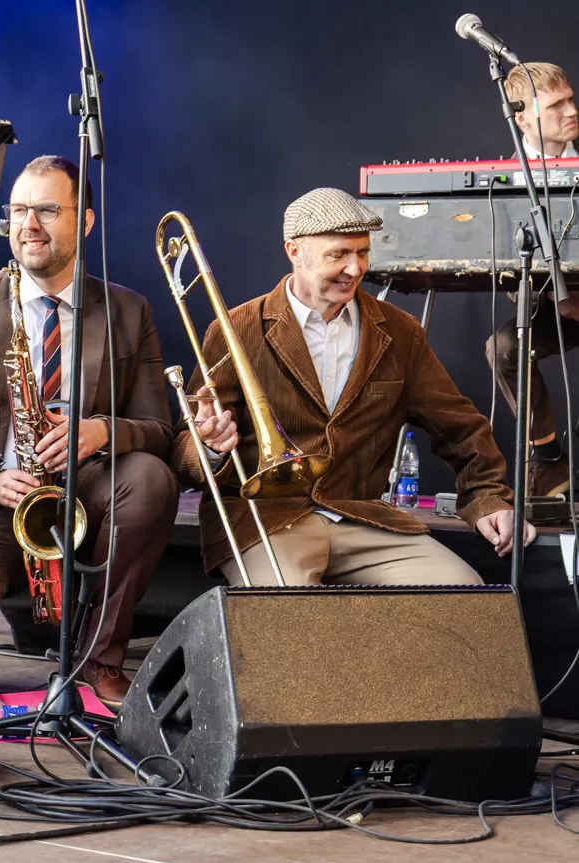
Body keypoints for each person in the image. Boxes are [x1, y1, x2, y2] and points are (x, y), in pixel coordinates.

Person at [0, 155, 178, 709]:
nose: (28, 225)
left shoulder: (127, 309)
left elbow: (159, 430)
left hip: (82, 484)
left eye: (47, 210)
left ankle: (100, 656)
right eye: (19, 210)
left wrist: (99, 432)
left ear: (85, 220)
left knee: (150, 480)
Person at [174, 187, 534, 586]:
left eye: (362, 252)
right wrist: (209, 446)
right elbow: (183, 448)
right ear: (294, 252)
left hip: (363, 517)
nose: (355, 268)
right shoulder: (236, 327)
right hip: (267, 519)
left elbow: (461, 428)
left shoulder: (400, 331)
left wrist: (488, 499)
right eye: (338, 255)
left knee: (463, 594)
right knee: (284, 610)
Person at [485, 63, 579, 497]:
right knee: (504, 347)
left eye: (571, 99)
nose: (572, 111)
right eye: (557, 104)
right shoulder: (502, 179)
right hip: (552, 306)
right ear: (521, 117)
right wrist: (558, 298)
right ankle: (547, 458)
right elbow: (505, 271)